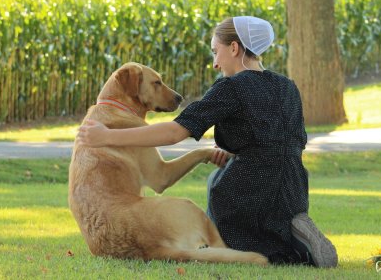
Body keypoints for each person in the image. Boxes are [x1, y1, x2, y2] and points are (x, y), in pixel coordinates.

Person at [76, 16, 338, 267]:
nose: (215, 63)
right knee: (264, 215)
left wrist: (108, 136)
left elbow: (174, 132)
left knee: (223, 199)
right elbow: (283, 140)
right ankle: (294, 237)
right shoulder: (288, 87)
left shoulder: (230, 88)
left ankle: (277, 248)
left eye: (216, 52)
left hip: (247, 191)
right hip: (294, 189)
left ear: (234, 48)